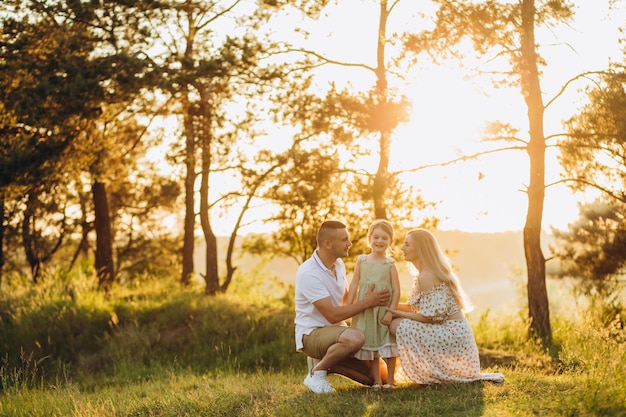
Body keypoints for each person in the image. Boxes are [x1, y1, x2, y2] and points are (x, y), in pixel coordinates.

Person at [388, 228, 505, 385]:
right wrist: (387, 305)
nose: (402, 248)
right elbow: (411, 308)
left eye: (407, 245)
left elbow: (432, 318)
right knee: (396, 321)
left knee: (396, 325)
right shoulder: (423, 274)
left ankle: (433, 370)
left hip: (451, 332)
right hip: (448, 330)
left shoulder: (427, 276)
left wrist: (395, 313)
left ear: (420, 249)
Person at [295, 220, 391, 394]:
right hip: (312, 334)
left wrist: (381, 304)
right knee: (356, 338)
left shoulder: (338, 264)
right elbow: (332, 315)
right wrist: (367, 302)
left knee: (380, 378)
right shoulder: (309, 273)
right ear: (328, 244)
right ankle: (316, 374)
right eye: (344, 240)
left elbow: (347, 300)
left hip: (339, 334)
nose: (349, 244)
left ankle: (327, 363)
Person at [347, 220, 400, 389]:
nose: (379, 241)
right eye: (376, 237)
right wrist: (349, 307)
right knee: (372, 345)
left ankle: (390, 380)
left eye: (384, 238)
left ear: (390, 242)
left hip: (383, 310)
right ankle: (377, 381)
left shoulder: (389, 264)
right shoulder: (362, 261)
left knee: (388, 344)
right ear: (369, 239)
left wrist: (391, 312)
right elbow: (354, 284)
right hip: (366, 310)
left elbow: (397, 291)